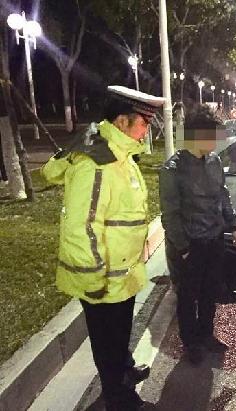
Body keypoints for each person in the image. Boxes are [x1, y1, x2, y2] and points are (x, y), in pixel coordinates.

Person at [41, 85, 165, 410]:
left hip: (121, 273)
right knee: (107, 343)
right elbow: (81, 228)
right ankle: (118, 397)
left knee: (119, 335)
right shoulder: (96, 164)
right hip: (102, 279)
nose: (147, 130)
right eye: (144, 122)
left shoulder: (120, 155)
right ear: (123, 121)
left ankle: (123, 368)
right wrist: (93, 279)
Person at [159, 119, 236, 366]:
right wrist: (183, 247)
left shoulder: (214, 161)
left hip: (214, 238)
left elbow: (223, 194)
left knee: (210, 291)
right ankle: (191, 342)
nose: (217, 141)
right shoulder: (172, 169)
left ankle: (206, 334)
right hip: (190, 243)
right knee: (188, 296)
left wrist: (233, 225)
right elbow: (170, 214)